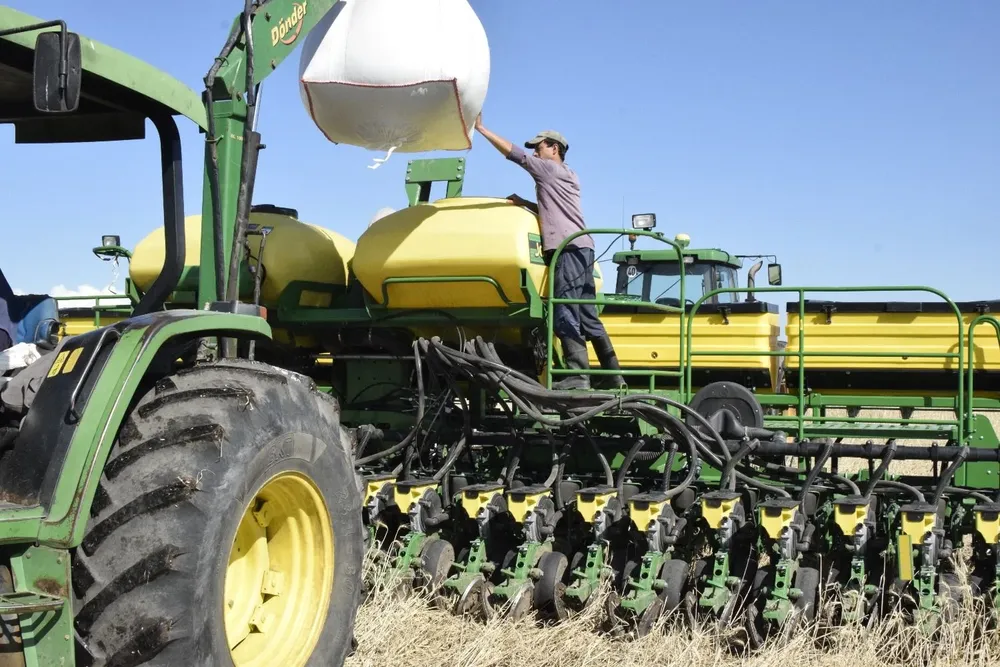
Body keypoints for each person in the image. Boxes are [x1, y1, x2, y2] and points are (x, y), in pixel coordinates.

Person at [474, 113, 624, 390]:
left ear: (554, 148)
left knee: (564, 309)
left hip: (567, 249)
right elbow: (556, 209)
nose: (535, 151)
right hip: (584, 248)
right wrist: (527, 204)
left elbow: (514, 154)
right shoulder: (569, 175)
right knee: (588, 314)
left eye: (539, 146)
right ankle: (615, 377)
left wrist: (482, 129)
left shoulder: (547, 169)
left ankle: (578, 377)